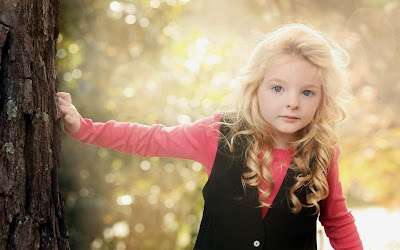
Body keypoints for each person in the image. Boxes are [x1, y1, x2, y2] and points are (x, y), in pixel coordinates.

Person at [57, 23, 363, 249]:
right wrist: (84, 128)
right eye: (278, 88)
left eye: (307, 92)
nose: (292, 102)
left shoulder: (323, 151)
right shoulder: (218, 134)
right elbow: (151, 139)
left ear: (322, 98)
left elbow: (337, 220)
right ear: (256, 88)